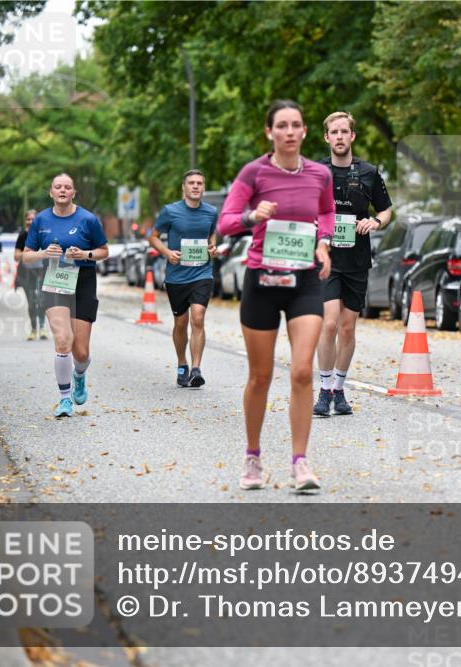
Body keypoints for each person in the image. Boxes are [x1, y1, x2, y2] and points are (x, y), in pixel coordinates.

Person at [217, 99, 334, 492]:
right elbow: (226, 222)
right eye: (281, 125)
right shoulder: (254, 172)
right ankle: (252, 458)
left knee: (302, 370)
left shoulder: (319, 174)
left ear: (304, 132)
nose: (288, 131)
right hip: (262, 280)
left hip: (304, 281)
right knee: (261, 376)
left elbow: (328, 213)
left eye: (295, 125)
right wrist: (253, 216)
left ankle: (300, 463)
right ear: (269, 132)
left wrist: (323, 243)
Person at [314, 111, 393, 417]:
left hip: (358, 260)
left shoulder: (369, 173)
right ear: (327, 138)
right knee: (330, 322)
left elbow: (386, 211)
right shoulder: (316, 172)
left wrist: (375, 221)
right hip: (327, 259)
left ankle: (339, 390)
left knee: (347, 328)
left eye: (344, 131)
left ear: (352, 137)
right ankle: (323, 390)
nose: (339, 136)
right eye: (334, 132)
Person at [22, 174, 108, 418]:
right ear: (51, 192)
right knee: (62, 341)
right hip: (55, 281)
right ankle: (64, 399)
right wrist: (43, 253)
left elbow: (104, 251)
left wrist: (86, 254)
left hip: (83, 283)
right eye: (58, 187)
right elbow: (26, 256)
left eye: (67, 187)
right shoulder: (41, 220)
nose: (62, 190)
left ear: (74, 192)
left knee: (80, 353)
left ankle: (79, 375)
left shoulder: (88, 219)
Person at [150, 169, 218, 388]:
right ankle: (182, 364)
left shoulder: (211, 212)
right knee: (181, 323)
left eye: (199, 183)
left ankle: (196, 369)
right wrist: (167, 253)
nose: (196, 186)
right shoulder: (170, 211)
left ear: (203, 187)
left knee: (197, 318)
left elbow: (212, 235)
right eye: (191, 183)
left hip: (202, 273)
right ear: (184, 187)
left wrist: (213, 247)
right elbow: (153, 237)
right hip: (177, 276)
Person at [14, 209, 48, 340]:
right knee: (31, 302)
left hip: (41, 271)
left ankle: (43, 327)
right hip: (26, 273)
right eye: (28, 219)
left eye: (33, 219)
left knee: (41, 299)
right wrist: (28, 254)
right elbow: (16, 256)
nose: (30, 221)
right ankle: (34, 330)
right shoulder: (23, 236)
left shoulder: (44, 235)